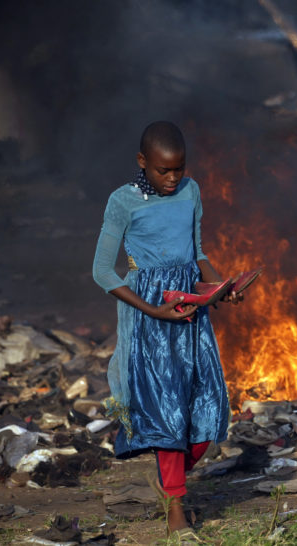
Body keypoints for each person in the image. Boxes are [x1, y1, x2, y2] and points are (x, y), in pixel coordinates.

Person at [92, 121, 236, 536]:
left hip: (193, 314)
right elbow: (102, 271)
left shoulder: (190, 191)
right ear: (143, 162)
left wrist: (220, 287)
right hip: (151, 317)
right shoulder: (123, 202)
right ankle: (176, 510)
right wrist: (153, 311)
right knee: (168, 410)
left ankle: (171, 478)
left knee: (209, 407)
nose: (172, 178)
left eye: (178, 169)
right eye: (162, 171)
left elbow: (199, 253)